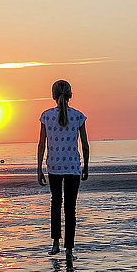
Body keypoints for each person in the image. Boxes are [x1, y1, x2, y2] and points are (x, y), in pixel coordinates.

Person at [37, 80, 89, 260]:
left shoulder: (46, 116)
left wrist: (38, 168)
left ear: (53, 95)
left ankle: (55, 244)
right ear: (70, 95)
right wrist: (86, 166)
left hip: (54, 167)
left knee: (56, 204)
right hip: (72, 167)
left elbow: (42, 144)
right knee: (70, 208)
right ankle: (69, 250)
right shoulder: (78, 116)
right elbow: (85, 145)